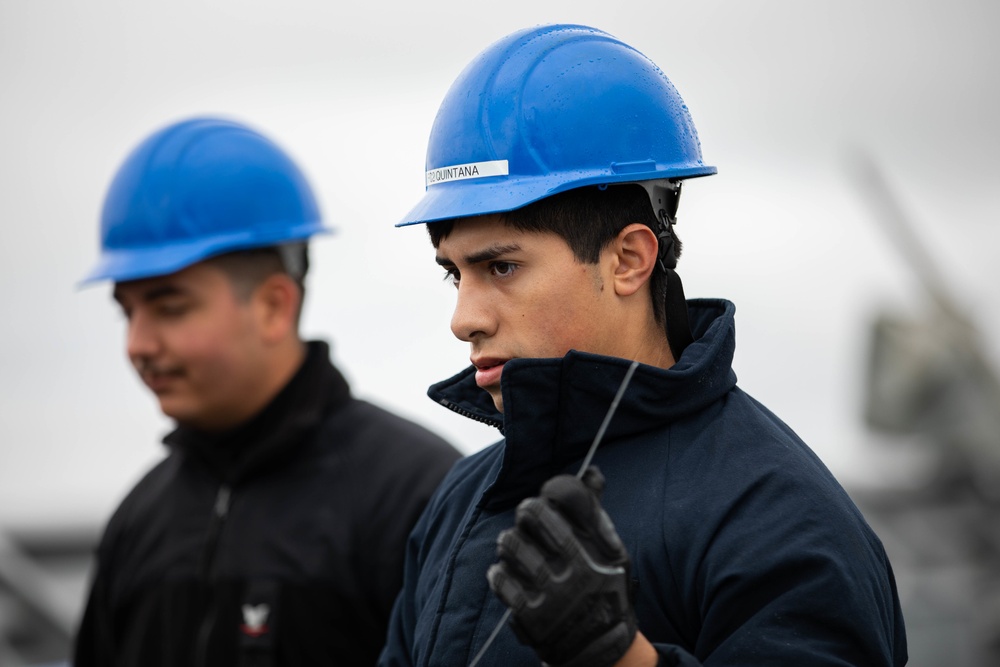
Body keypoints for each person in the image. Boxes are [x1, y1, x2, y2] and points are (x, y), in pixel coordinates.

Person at [378, 24, 907, 667]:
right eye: (453, 274)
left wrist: (618, 657)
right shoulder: (458, 503)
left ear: (629, 259)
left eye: (502, 268)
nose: (463, 320)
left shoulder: (781, 518)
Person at [73, 116, 461, 666]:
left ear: (274, 306)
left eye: (168, 307)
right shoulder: (140, 520)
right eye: (127, 312)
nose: (138, 343)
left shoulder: (415, 497)